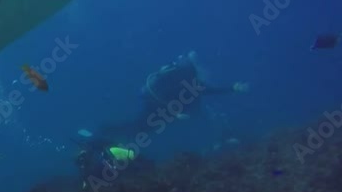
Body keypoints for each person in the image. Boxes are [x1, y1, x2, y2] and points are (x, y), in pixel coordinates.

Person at [95, 51, 248, 141]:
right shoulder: (183, 79)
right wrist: (175, 114)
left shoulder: (193, 81)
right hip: (156, 109)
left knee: (141, 129)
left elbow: (209, 90)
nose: (207, 74)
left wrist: (233, 88)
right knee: (139, 128)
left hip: (164, 111)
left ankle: (110, 134)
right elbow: (161, 95)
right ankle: (107, 131)